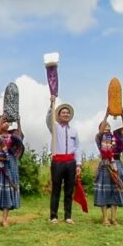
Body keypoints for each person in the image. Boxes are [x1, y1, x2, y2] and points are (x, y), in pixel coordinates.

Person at [46, 96, 81, 224]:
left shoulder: (74, 131)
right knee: (56, 189)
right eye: (63, 113)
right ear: (59, 115)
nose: (65, 114)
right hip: (57, 161)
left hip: (70, 162)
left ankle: (68, 216)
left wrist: (78, 164)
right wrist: (51, 104)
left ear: (70, 116)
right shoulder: (54, 127)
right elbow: (48, 119)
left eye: (67, 113)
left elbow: (77, 148)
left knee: (69, 190)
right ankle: (53, 216)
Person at [0, 114, 24, 227]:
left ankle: (5, 219)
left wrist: (19, 122)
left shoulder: (13, 134)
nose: (6, 124)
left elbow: (20, 137)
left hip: (9, 164)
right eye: (3, 121)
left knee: (8, 190)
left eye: (7, 122)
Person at [93, 111, 123, 226]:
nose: (106, 127)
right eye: (103, 126)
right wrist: (106, 115)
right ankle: (105, 219)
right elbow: (100, 131)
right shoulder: (99, 138)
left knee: (116, 190)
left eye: (108, 126)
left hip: (117, 165)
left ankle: (113, 218)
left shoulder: (117, 138)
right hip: (105, 165)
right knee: (104, 191)